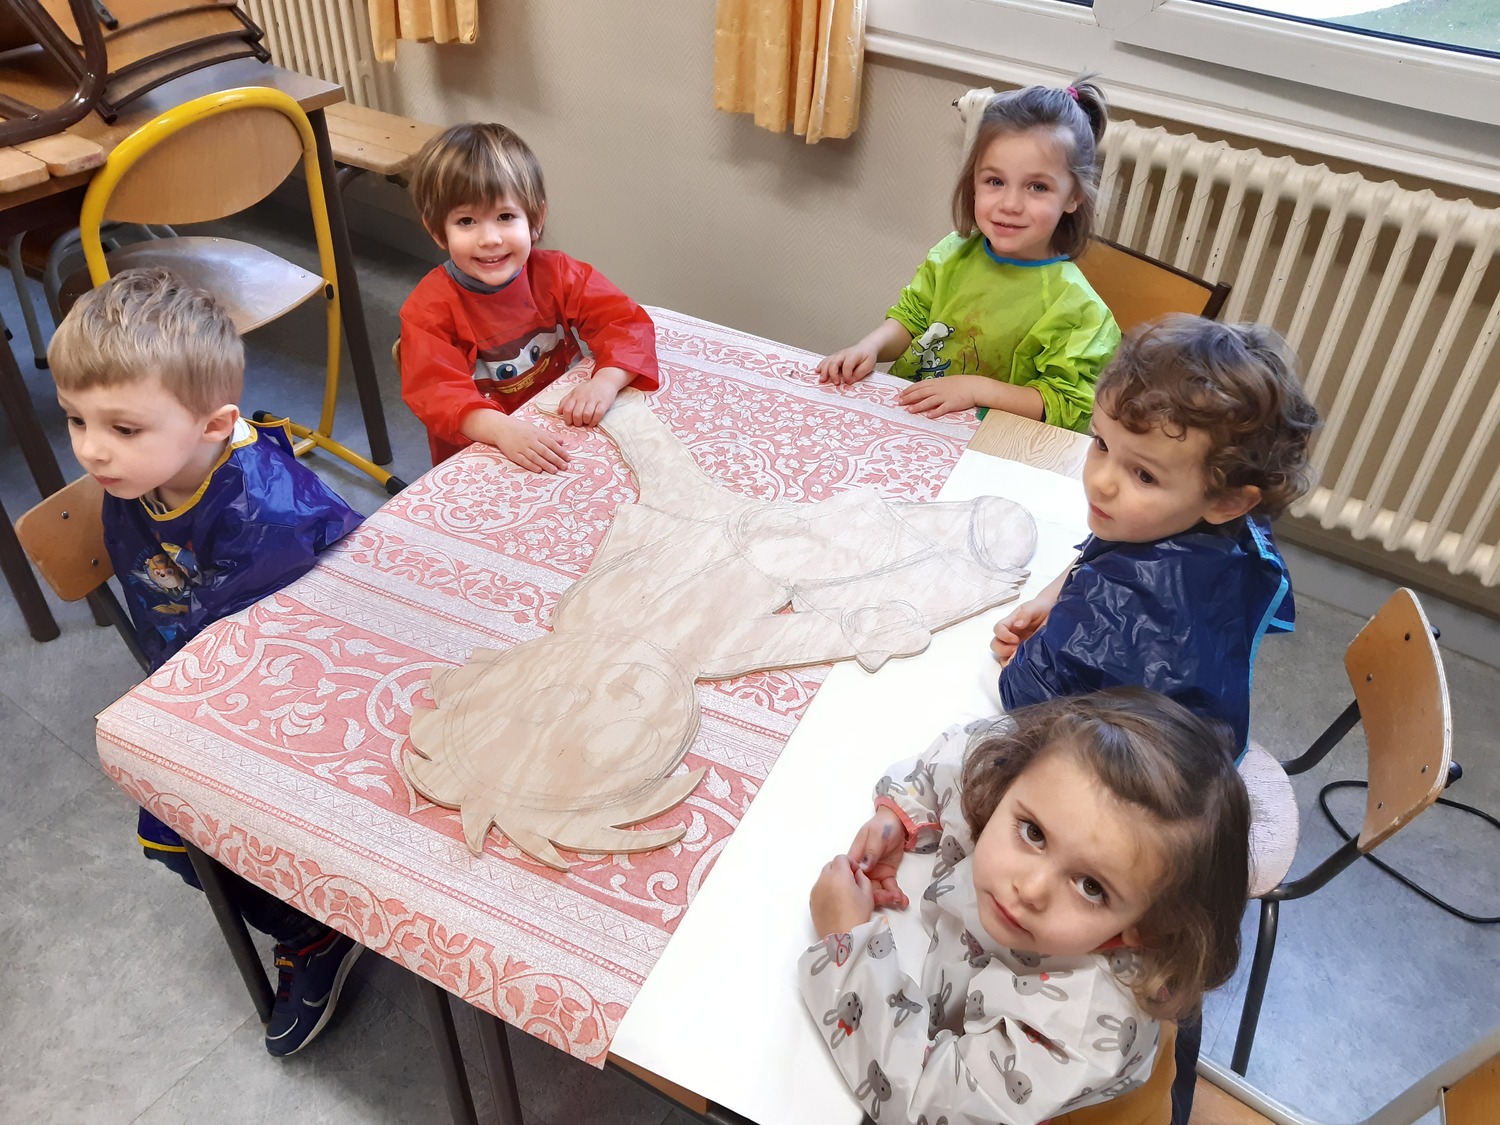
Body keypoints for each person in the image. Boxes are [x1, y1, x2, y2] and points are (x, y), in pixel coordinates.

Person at [48, 267, 367, 1057]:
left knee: (181, 830)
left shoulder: (263, 514)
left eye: (122, 428)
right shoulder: (144, 470)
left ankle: (316, 930)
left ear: (215, 424)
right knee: (169, 832)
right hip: (212, 668)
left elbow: (261, 657)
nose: (91, 449)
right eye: (75, 418)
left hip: (308, 685)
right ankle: (313, 920)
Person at [800, 689, 1250, 1124]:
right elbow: (962, 753)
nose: (1031, 888)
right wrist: (900, 815)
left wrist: (848, 944)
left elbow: (924, 1102)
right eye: (1034, 833)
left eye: (1091, 887)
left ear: (1146, 928)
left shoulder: (1081, 1023)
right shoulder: (1043, 787)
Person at [991, 314, 1320, 759]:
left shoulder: (1136, 596)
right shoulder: (1212, 525)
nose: (1101, 482)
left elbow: (1029, 704)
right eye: (1101, 443)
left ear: (1227, 500)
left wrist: (1023, 663)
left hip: (1144, 779)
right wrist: (1053, 597)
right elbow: (1106, 548)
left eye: (1144, 474)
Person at [816, 79, 1119, 433]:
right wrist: (868, 347)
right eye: (995, 181)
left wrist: (976, 389)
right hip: (913, 423)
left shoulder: (1079, 308)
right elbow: (912, 319)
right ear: (973, 180)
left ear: (1073, 197)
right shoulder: (952, 253)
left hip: (990, 449)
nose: (1010, 204)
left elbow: (1065, 404)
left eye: (1038, 187)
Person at [399, 121, 660, 470]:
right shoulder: (428, 310)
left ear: (535, 220)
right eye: (466, 221)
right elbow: (437, 394)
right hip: (485, 451)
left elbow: (625, 323)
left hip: (561, 430)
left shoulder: (559, 274)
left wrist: (605, 382)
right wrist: (502, 430)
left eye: (505, 216)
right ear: (437, 231)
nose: (489, 239)